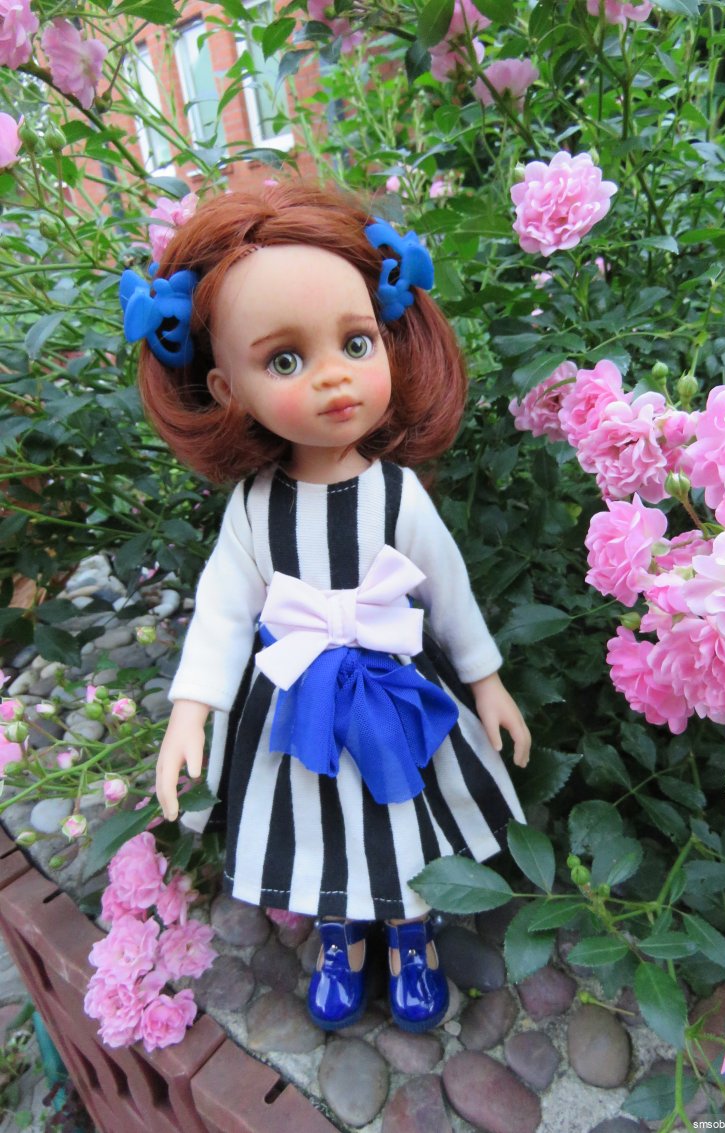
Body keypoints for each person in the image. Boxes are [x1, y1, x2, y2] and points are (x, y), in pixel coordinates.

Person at [121, 180, 531, 1034]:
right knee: (316, 818)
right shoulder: (254, 508)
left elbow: (447, 590)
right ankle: (338, 935)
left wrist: (486, 681)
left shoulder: (396, 493)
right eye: (284, 360)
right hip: (299, 702)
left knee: (404, 811)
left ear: (388, 337)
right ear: (226, 387)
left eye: (355, 341)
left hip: (395, 693)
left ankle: (412, 932)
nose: (334, 376)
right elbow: (222, 609)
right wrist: (193, 707)